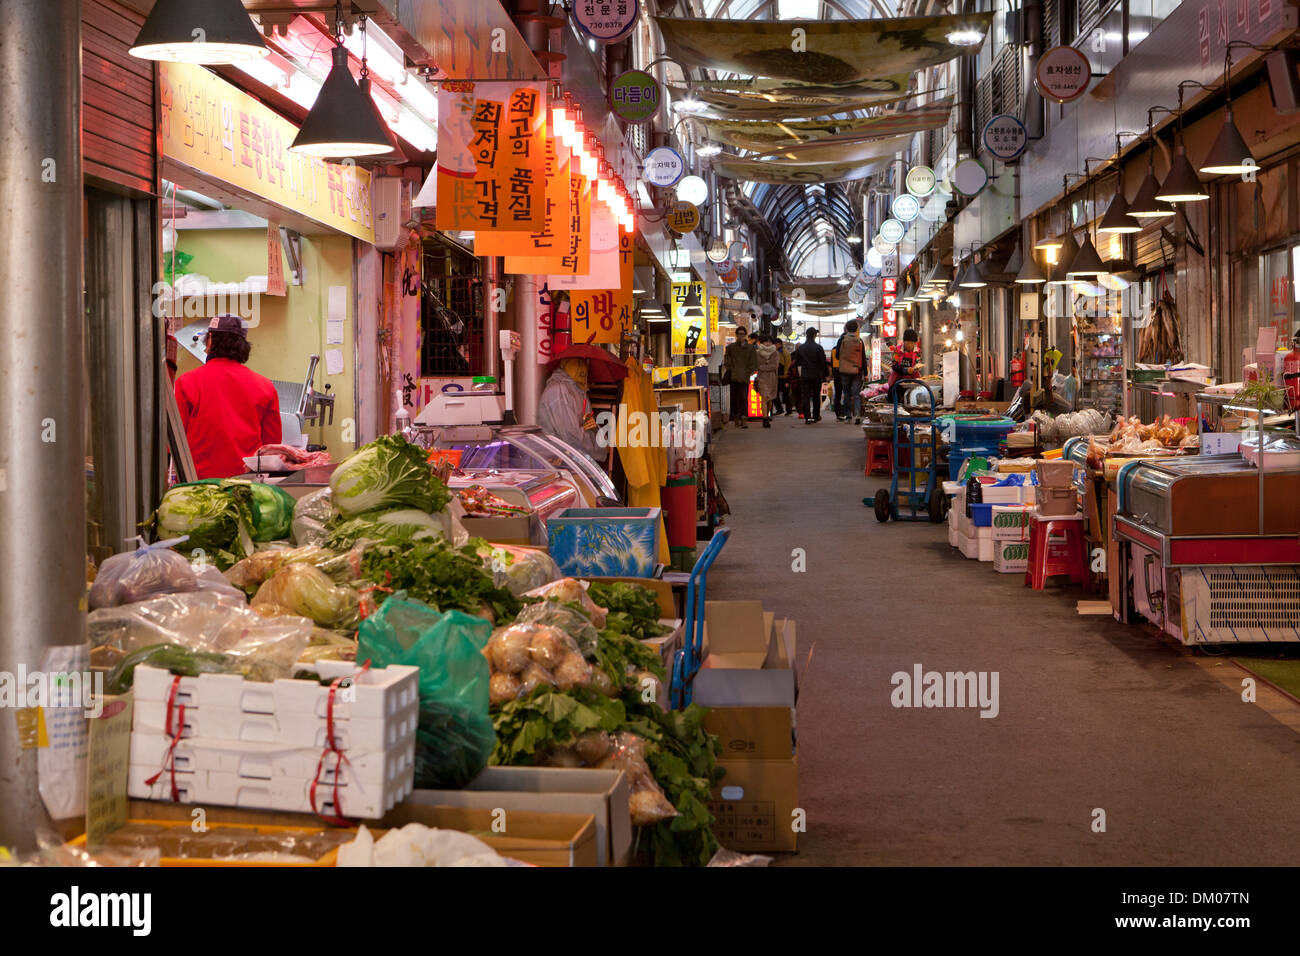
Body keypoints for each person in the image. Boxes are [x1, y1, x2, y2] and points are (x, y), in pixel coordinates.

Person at [174, 314, 281, 479]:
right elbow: (272, 448)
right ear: (242, 346)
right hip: (246, 485)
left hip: (199, 484)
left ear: (210, 342)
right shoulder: (265, 386)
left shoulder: (186, 382)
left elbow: (172, 442)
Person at [537, 356, 602, 463]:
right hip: (556, 460)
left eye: (583, 363)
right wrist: (597, 448)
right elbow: (571, 436)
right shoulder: (559, 391)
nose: (581, 367)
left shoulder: (578, 390)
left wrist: (593, 431)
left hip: (573, 459)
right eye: (577, 362)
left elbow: (585, 426)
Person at [722, 326, 758, 428]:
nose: (741, 336)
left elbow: (753, 363)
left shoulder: (750, 348)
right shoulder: (731, 348)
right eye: (739, 334)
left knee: (743, 398)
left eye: (743, 334)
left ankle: (743, 418)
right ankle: (737, 418)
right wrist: (731, 369)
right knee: (734, 399)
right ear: (736, 335)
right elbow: (727, 361)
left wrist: (748, 373)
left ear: (745, 335)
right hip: (734, 377)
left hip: (744, 378)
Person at [793, 327, 829, 424]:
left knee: (806, 396)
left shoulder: (801, 348)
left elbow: (798, 363)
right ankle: (816, 416)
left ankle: (807, 417)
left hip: (805, 375)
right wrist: (826, 375)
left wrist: (801, 374)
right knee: (816, 396)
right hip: (816, 375)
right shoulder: (818, 347)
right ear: (814, 335)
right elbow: (823, 363)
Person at [836, 320, 866, 424]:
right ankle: (857, 415)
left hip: (844, 371)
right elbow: (863, 357)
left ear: (846, 329)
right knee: (856, 394)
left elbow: (836, 356)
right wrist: (865, 373)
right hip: (857, 371)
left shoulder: (841, 340)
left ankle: (848, 417)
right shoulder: (860, 341)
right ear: (856, 329)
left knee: (847, 393)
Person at [887, 327, 924, 401]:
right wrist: (905, 370)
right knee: (893, 396)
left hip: (912, 381)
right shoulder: (897, 350)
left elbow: (918, 363)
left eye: (913, 343)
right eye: (908, 343)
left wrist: (916, 368)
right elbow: (894, 365)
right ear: (904, 342)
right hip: (897, 381)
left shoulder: (917, 352)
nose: (910, 345)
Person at [753, 333, 780, 428]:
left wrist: (763, 367)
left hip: (772, 378)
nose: (768, 343)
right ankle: (765, 419)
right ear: (762, 342)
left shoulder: (775, 353)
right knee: (764, 398)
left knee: (770, 399)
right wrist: (765, 366)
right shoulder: (758, 353)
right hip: (762, 378)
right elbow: (757, 365)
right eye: (765, 341)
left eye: (769, 341)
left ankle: (767, 414)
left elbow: (774, 366)